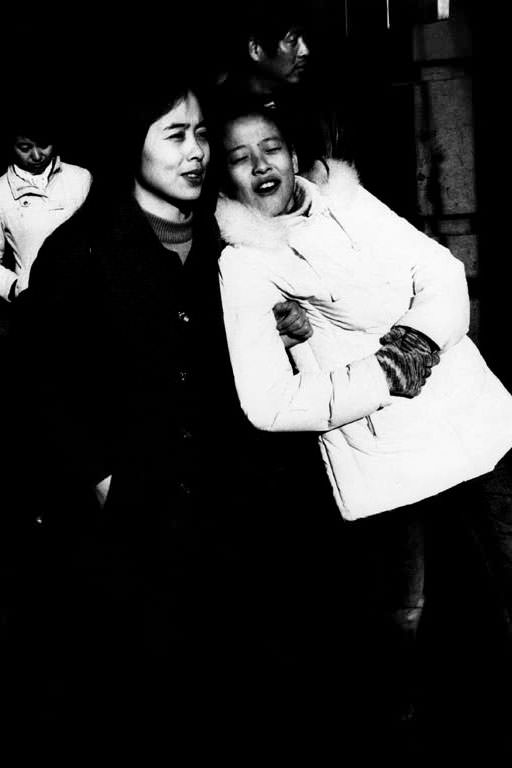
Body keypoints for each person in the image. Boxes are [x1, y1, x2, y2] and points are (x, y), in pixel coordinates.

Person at [7, 76, 321, 734]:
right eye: (175, 135)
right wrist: (104, 481)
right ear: (134, 144)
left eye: (202, 134)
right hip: (136, 536)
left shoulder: (238, 240)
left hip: (240, 523)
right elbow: (42, 387)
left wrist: (288, 333)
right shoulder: (79, 253)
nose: (197, 151)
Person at [213, 100, 512, 720]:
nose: (262, 166)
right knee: (401, 620)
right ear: (226, 176)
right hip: (381, 454)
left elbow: (441, 270)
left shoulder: (347, 200)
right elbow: (267, 404)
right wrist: (380, 377)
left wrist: (417, 341)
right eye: (241, 158)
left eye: (271, 148)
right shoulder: (242, 262)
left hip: (470, 419)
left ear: (295, 155)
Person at [216, 1, 341, 182]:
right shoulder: (219, 112)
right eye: (293, 41)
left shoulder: (307, 105)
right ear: (256, 49)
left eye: (304, 40)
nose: (304, 51)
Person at [0, 109, 92, 302]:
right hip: (35, 302)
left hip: (86, 296)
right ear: (11, 146)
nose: (36, 156)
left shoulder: (81, 178)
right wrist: (15, 287)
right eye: (25, 148)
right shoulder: (1, 192)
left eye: (43, 145)